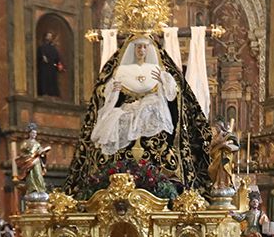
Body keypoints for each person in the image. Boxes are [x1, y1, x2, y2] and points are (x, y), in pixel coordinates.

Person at [63, 34, 212, 198]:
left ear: (149, 49)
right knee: (111, 137)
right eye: (138, 47)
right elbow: (106, 96)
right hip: (129, 111)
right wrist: (114, 91)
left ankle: (162, 187)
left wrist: (163, 82)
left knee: (160, 139)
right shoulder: (121, 71)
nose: (141, 50)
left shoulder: (158, 70)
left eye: (144, 47)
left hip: (153, 112)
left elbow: (173, 96)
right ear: (133, 50)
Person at [14, 123, 51, 196]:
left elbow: (41, 153)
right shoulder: (25, 142)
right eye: (33, 133)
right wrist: (29, 156)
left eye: (35, 133)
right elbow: (22, 153)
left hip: (36, 161)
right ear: (29, 133)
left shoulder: (37, 144)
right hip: (28, 161)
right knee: (31, 175)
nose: (34, 134)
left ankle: (40, 189)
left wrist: (42, 153)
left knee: (38, 174)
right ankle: (32, 189)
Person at [36, 30, 65, 97]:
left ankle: (53, 93)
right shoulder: (41, 47)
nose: (49, 37)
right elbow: (39, 56)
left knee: (52, 81)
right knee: (44, 80)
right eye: (48, 36)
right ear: (45, 37)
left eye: (51, 36)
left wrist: (59, 64)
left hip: (52, 68)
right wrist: (42, 57)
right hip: (44, 68)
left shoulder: (54, 49)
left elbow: (57, 59)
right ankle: (44, 92)